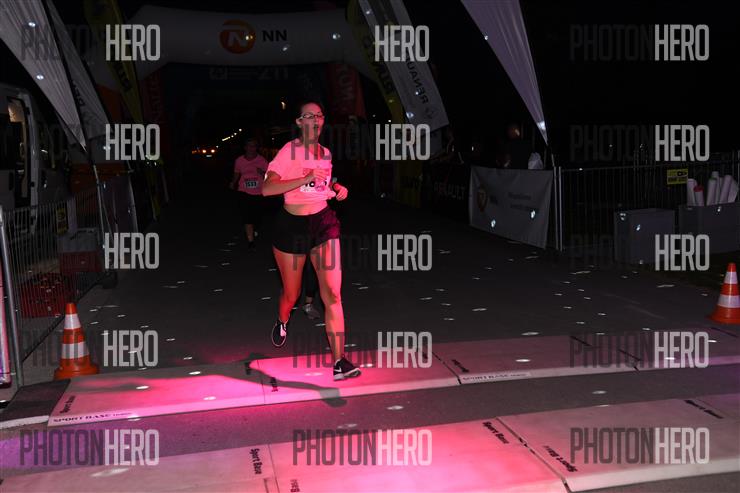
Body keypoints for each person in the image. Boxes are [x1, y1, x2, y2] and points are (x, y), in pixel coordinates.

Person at [262, 101, 360, 380]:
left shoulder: (325, 152)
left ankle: (339, 361)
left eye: (319, 115)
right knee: (291, 295)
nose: (315, 120)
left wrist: (336, 186)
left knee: (333, 294)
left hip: (323, 223)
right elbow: (267, 189)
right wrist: (303, 178)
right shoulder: (289, 151)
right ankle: (282, 320)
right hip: (292, 227)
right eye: (308, 116)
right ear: (299, 122)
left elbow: (322, 182)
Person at [230, 139, 267, 249]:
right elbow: (237, 173)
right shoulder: (239, 160)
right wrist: (233, 182)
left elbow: (269, 176)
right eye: (249, 146)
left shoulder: (262, 160)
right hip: (244, 191)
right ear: (245, 147)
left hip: (259, 192)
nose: (251, 148)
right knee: (247, 216)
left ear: (256, 148)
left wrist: (262, 173)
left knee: (257, 217)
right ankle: (251, 241)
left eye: (254, 146)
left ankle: (254, 228)